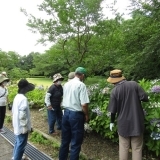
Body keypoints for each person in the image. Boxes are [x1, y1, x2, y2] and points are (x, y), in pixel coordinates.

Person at [107, 69, 149, 160]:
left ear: (114, 81)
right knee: (137, 148)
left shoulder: (115, 91)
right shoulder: (134, 84)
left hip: (123, 123)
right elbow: (145, 98)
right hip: (137, 121)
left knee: (123, 147)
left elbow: (113, 110)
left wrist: (111, 122)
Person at [59, 67, 90, 160]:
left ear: (75, 73)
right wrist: (87, 115)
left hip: (66, 113)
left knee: (65, 140)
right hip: (76, 115)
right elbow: (84, 104)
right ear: (82, 75)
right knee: (76, 142)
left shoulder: (67, 84)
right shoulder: (81, 85)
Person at [12, 79, 35, 160]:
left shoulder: (17, 96)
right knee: (21, 144)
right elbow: (22, 115)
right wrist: (24, 126)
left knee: (17, 141)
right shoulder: (23, 99)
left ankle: (14, 156)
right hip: (22, 125)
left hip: (16, 123)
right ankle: (17, 158)